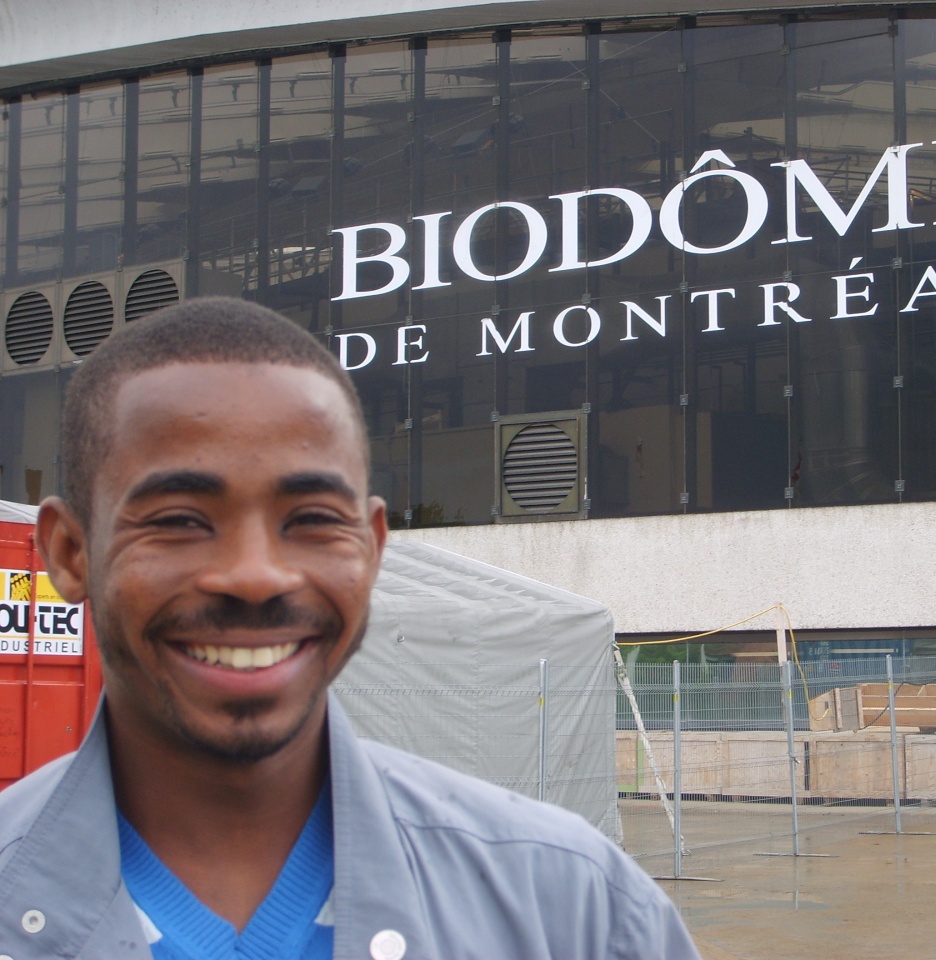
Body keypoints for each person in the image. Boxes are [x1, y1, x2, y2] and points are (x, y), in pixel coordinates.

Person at [0, 297, 701, 960]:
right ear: (69, 553)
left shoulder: (577, 913)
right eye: (179, 520)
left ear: (369, 548)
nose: (254, 577)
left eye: (311, 519)